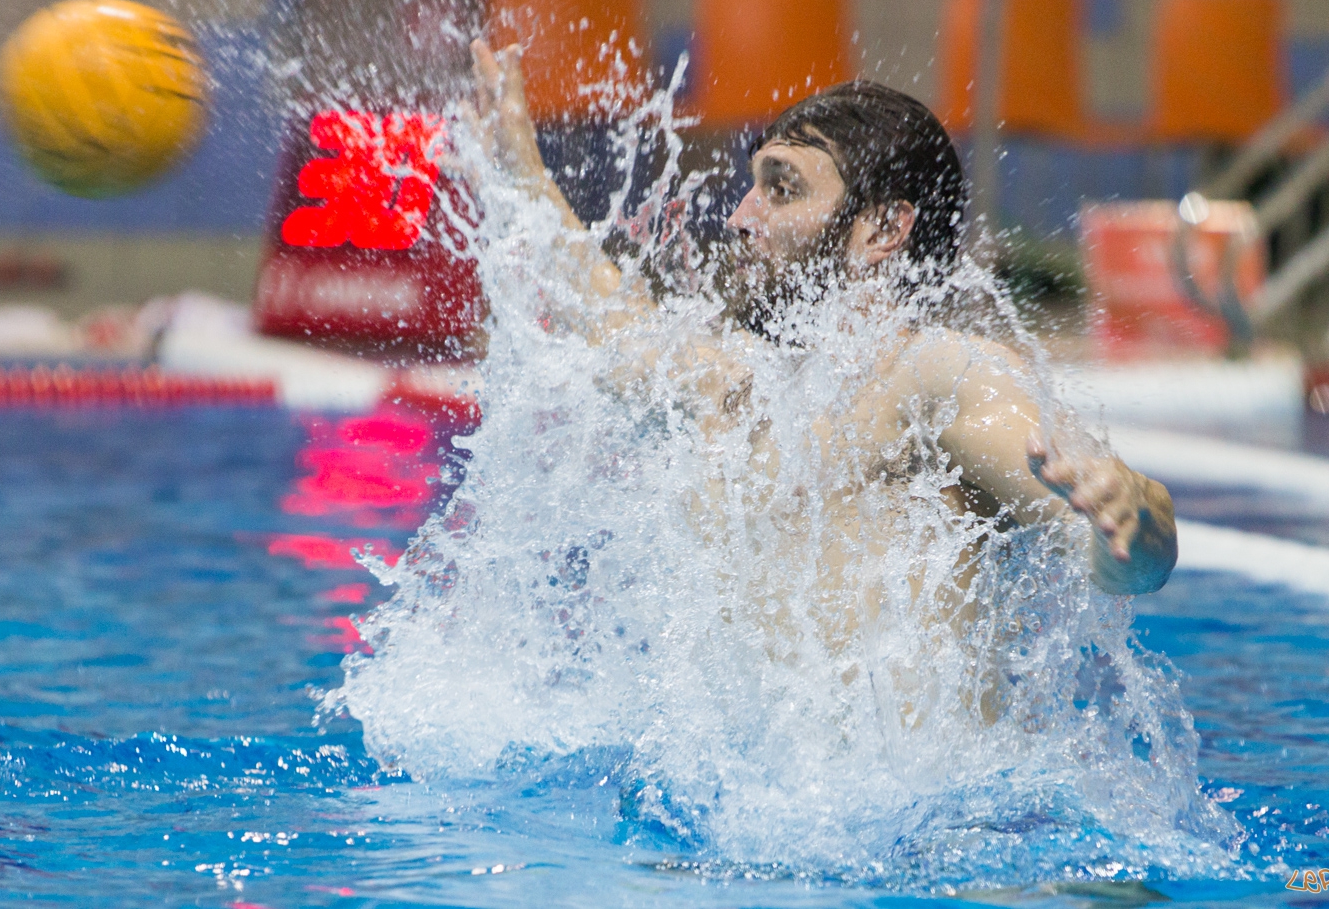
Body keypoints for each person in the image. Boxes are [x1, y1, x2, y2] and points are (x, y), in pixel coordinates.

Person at [461, 39, 1176, 607]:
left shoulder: (935, 377)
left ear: (883, 228)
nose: (740, 218)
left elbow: (1110, 557)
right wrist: (524, 175)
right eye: (752, 187)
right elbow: (611, 320)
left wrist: (1135, 519)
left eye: (782, 187)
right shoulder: (737, 385)